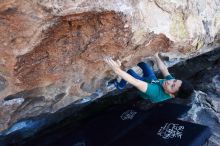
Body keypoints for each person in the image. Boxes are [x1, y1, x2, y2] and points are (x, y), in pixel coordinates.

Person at [104, 52, 194, 103]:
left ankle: (121, 85)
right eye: (174, 80)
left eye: (172, 86)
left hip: (148, 87)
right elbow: (164, 70)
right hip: (153, 81)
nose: (170, 82)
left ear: (171, 94)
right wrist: (156, 56)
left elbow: (136, 82)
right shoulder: (171, 83)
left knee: (130, 72)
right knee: (143, 64)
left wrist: (118, 70)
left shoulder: (156, 93)